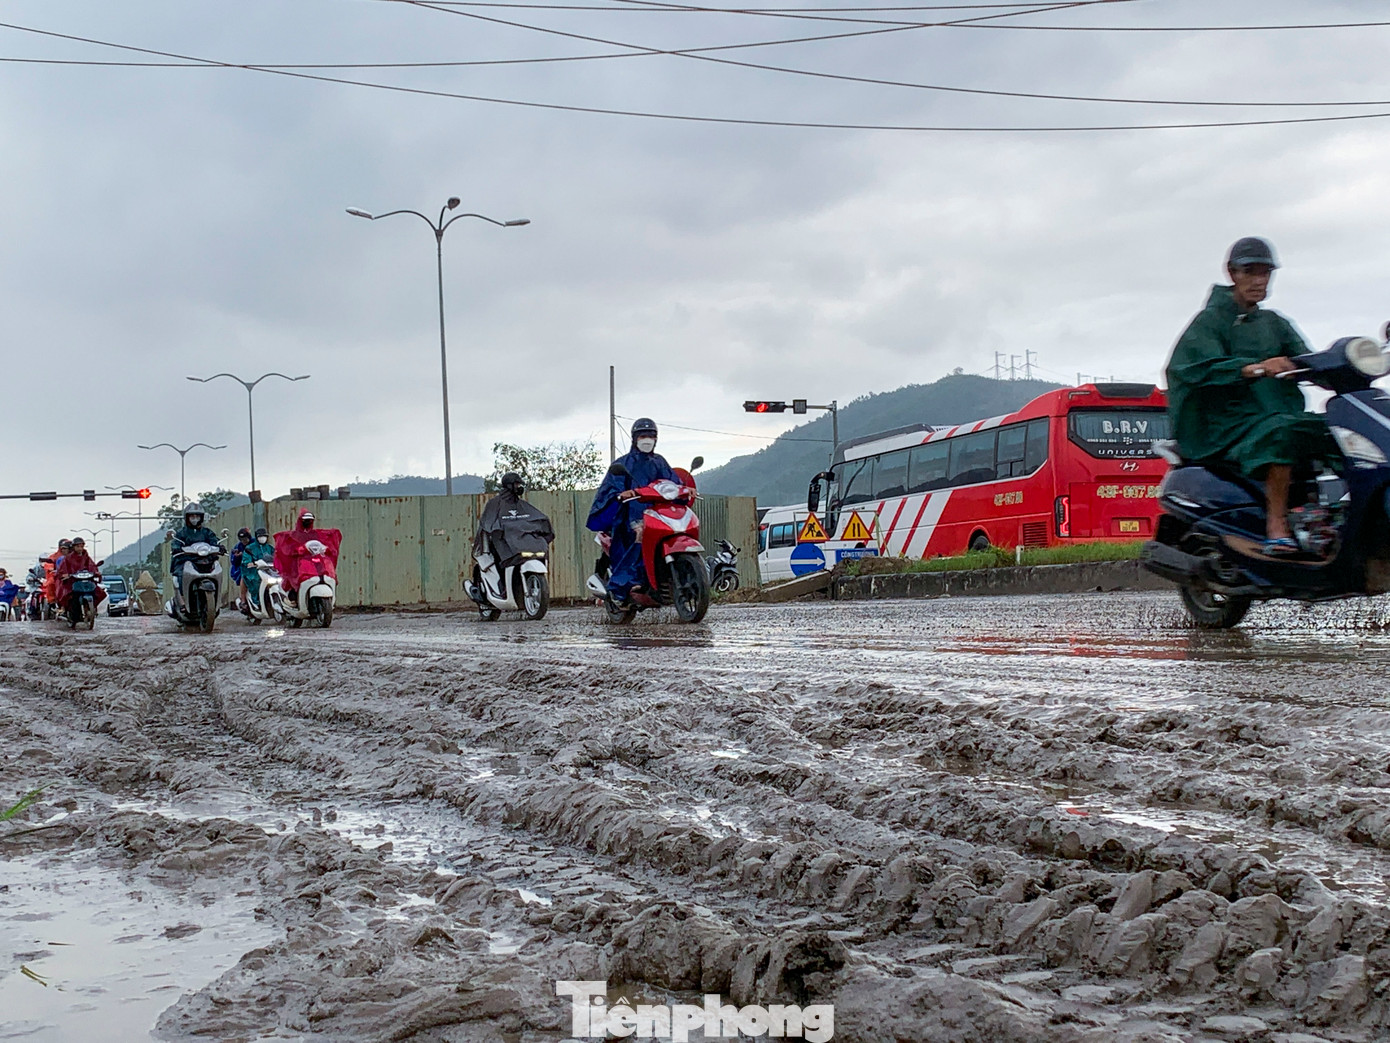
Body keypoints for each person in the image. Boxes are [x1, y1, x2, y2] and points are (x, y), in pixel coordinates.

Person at [1165, 237, 1338, 556]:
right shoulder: (1209, 322)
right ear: (1232, 273)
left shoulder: (1274, 323)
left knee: (1335, 430)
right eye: (1250, 271)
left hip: (1273, 414)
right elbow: (1193, 369)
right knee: (1281, 434)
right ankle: (1276, 526)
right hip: (1227, 427)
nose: (1259, 280)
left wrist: (1340, 365)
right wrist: (1255, 368)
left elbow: (1306, 359)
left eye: (1265, 272)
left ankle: (1330, 515)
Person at [587, 417, 676, 605]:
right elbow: (610, 488)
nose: (647, 439)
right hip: (631, 516)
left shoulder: (660, 462)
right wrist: (622, 494)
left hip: (660, 514)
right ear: (634, 438)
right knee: (641, 534)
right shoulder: (623, 464)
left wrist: (686, 488)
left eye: (651, 435)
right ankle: (626, 583)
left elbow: (672, 483)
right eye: (643, 435)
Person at [273, 509, 341, 602]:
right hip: (298, 564)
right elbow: (287, 547)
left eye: (310, 520)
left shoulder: (316, 534)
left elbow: (326, 541)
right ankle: (293, 598)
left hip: (314, 562)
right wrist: (297, 550)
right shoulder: (294, 535)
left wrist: (327, 548)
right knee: (294, 579)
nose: (308, 522)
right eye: (305, 520)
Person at [170, 507, 224, 583]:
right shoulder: (181, 533)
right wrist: (177, 548)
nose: (195, 519)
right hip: (186, 560)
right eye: (192, 517)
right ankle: (182, 594)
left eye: (197, 517)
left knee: (217, 568)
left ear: (201, 518)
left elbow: (214, 541)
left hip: (206, 560)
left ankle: (217, 592)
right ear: (187, 518)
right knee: (180, 574)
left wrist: (220, 547)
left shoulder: (207, 532)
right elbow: (175, 543)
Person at [55, 536, 105, 612]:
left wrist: (95, 572)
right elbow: (63, 569)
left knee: (100, 593)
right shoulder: (68, 558)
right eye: (78, 546)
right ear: (73, 547)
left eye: (81, 546)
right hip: (72, 582)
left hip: (86, 581)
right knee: (67, 595)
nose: (80, 549)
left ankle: (91, 608)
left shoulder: (86, 556)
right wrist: (65, 574)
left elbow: (91, 565)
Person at [240, 527, 276, 609]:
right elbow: (246, 559)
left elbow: (276, 557)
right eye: (260, 536)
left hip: (269, 570)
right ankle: (254, 601)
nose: (262, 538)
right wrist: (250, 563)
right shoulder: (250, 548)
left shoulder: (270, 548)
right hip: (254, 571)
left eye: (264, 536)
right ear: (256, 537)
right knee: (253, 581)